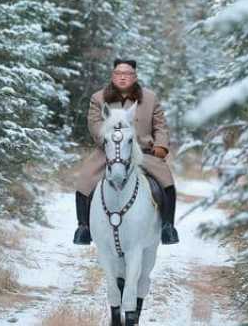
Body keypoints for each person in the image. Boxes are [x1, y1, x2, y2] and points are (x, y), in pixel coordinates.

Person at [73, 58, 180, 245]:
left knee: (167, 184)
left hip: (144, 153)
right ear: (113, 76)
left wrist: (161, 145)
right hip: (109, 151)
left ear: (135, 76)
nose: (122, 77)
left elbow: (160, 126)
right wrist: (108, 142)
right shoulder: (98, 98)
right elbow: (95, 125)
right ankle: (83, 228)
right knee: (85, 180)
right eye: (118, 74)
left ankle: (167, 227)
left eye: (127, 74)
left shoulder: (150, 98)